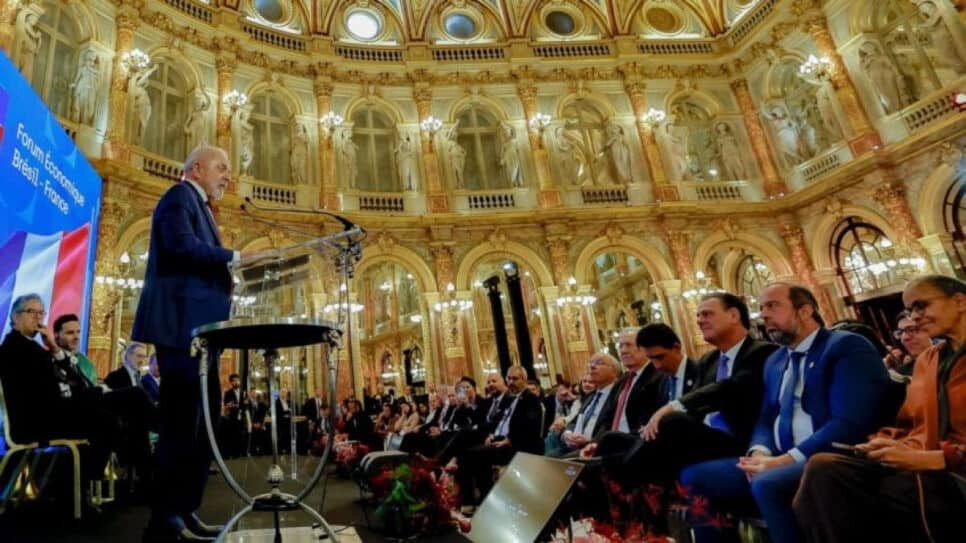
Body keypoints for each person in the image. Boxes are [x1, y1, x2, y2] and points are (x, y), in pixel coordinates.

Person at [679, 282, 890, 543]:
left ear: (805, 311)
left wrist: (784, 460)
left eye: (772, 306)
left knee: (768, 483)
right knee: (696, 477)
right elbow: (767, 417)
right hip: (779, 457)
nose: (763, 315)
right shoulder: (776, 360)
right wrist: (759, 453)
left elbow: (849, 423)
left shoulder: (845, 347)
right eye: (761, 308)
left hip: (829, 457)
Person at [132, 144, 261, 542]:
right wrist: (235, 257)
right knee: (180, 424)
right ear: (197, 168)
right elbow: (181, 246)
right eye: (222, 167)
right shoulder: (178, 196)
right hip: (181, 327)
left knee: (204, 423)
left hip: (202, 331)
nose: (228, 175)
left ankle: (186, 509)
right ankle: (165, 519)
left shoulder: (201, 206)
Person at [793, 275, 966, 542]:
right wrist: (886, 442)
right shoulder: (929, 359)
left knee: (883, 493)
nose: (914, 316)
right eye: (910, 310)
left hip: (952, 468)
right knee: (823, 469)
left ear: (960, 301)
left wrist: (935, 458)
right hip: (922, 457)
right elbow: (911, 423)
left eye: (921, 306)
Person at [0, 295, 115, 482]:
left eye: (41, 313)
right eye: (32, 312)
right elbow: (51, 393)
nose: (38, 318)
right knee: (107, 419)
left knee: (115, 411)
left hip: (47, 415)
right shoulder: (15, 349)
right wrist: (85, 398)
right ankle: (84, 486)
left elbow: (72, 383)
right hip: (34, 423)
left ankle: (83, 486)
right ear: (16, 317)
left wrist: (54, 349)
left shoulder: (34, 349)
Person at [455, 365, 543, 508]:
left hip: (519, 445)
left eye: (515, 379)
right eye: (509, 378)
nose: (511, 382)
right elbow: (497, 421)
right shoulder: (510, 399)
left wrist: (510, 439)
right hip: (501, 439)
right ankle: (475, 500)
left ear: (524, 380)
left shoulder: (530, 399)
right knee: (468, 452)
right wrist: (491, 435)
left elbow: (529, 424)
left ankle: (483, 501)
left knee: (474, 454)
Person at [885, 310, 934, 376]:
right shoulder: (902, 374)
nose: (904, 338)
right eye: (900, 332)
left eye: (911, 330)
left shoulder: (947, 360)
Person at [221, 374, 248, 459]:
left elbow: (246, 405)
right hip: (232, 418)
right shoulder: (228, 393)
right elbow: (227, 405)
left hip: (241, 418)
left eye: (237, 380)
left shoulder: (243, 393)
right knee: (232, 436)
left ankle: (238, 455)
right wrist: (234, 406)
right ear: (231, 382)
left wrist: (241, 407)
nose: (236, 382)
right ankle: (231, 454)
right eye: (234, 381)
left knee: (240, 436)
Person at [70, 50, 100, 125]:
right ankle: (81, 123)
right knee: (82, 106)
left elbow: (97, 83)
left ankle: (86, 123)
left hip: (92, 91)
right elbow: (77, 78)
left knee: (90, 110)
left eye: (92, 60)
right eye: (89, 60)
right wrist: (74, 84)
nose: (90, 62)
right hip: (82, 89)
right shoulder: (82, 69)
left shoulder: (95, 72)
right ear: (86, 60)